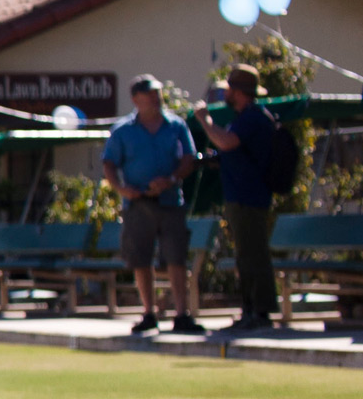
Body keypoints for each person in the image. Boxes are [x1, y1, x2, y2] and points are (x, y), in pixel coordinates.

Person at [102, 74, 202, 335]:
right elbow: (109, 163)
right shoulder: (123, 130)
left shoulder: (175, 125)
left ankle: (182, 314)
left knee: (176, 257)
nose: (155, 99)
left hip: (170, 201)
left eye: (157, 93)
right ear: (136, 99)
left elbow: (188, 159)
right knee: (140, 259)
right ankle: (149, 312)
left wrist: (170, 179)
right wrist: (122, 189)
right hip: (138, 203)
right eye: (149, 94)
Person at [199, 65, 283, 330]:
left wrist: (205, 120)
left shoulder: (252, 117)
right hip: (239, 195)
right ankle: (249, 310)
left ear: (238, 92)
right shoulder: (243, 117)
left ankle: (260, 312)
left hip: (250, 196)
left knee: (254, 254)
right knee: (245, 255)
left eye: (229, 89)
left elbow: (226, 142)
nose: (226, 93)